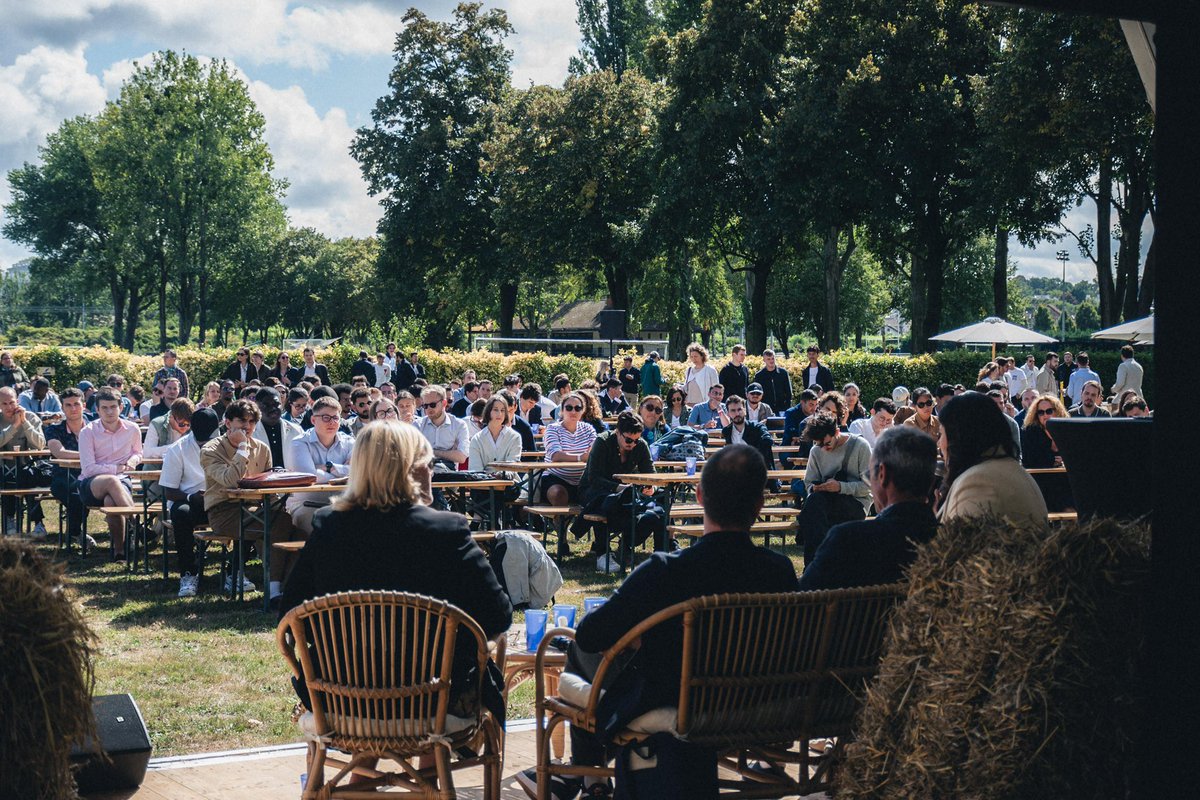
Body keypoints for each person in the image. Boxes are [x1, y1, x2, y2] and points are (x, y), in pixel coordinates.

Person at [517, 444, 798, 800]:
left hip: (680, 702)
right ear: (760, 505)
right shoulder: (780, 570)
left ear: (698, 496)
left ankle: (592, 781)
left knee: (577, 650)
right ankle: (589, 782)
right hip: (758, 703)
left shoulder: (667, 571)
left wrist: (638, 639)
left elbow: (591, 635)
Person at [279, 422, 512, 739]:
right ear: (409, 469)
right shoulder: (446, 531)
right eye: (428, 463)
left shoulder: (329, 526)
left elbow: (289, 616)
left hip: (341, 697)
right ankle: (428, 776)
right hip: (432, 699)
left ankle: (364, 776)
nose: (433, 472)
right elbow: (498, 615)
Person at [800, 426, 939, 590]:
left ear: (882, 475)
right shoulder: (950, 544)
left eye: (869, 476)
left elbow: (804, 597)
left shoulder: (848, 541)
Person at [201, 399, 299, 597]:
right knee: (275, 526)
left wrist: (279, 508)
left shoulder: (262, 448)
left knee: (296, 530)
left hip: (256, 508)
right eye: (242, 421)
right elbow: (230, 480)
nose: (247, 426)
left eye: (252, 422)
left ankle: (286, 587)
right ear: (228, 423)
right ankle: (274, 591)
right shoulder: (211, 450)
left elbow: (267, 484)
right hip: (224, 511)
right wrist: (243, 448)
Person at [938, 392, 1047, 525]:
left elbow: (959, 542)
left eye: (941, 434)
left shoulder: (977, 482)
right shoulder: (1007, 469)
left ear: (958, 436)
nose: (939, 443)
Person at [577, 411, 667, 570]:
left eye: (636, 440)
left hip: (625, 493)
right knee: (607, 501)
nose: (632, 444)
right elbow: (594, 478)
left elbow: (651, 473)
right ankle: (602, 553)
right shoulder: (602, 441)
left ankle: (661, 552)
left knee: (662, 499)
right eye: (628, 440)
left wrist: (650, 486)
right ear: (617, 432)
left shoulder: (640, 445)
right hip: (594, 490)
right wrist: (619, 488)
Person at [161, 408, 222, 598]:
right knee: (181, 514)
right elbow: (168, 490)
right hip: (190, 500)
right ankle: (188, 572)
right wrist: (191, 497)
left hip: (221, 499)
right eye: (201, 440)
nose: (205, 444)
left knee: (248, 512)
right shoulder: (177, 449)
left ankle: (234, 571)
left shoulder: (227, 446)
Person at [798, 412, 872, 565]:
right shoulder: (816, 451)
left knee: (813, 511)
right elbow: (808, 483)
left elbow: (869, 487)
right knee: (815, 503)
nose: (824, 449)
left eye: (827, 444)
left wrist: (840, 487)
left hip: (855, 502)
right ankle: (816, 563)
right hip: (824, 502)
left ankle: (814, 565)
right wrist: (815, 488)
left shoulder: (860, 446)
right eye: (819, 445)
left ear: (837, 432)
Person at [78, 387, 142, 560]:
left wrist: (131, 462)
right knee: (112, 481)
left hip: (123, 482)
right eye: (104, 408)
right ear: (96, 410)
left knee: (111, 500)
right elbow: (89, 468)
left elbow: (138, 452)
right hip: (91, 485)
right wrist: (117, 468)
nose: (109, 411)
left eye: (113, 407)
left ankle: (119, 551)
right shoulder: (88, 432)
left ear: (121, 407)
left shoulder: (132, 428)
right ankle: (137, 525)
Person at [288, 396, 354, 536]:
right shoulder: (299, 443)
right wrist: (343, 472)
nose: (331, 422)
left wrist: (327, 467)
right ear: (313, 420)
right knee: (326, 530)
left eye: (335, 418)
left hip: (342, 504)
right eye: (325, 417)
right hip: (307, 504)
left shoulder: (350, 442)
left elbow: (358, 473)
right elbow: (308, 476)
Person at [44, 388, 93, 550]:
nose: (73, 408)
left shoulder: (95, 427)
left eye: (76, 404)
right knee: (77, 495)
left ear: (83, 405)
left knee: (87, 491)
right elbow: (59, 453)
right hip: (62, 476)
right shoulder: (54, 429)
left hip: (91, 475)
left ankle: (74, 532)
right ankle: (76, 532)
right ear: (62, 408)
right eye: (68, 405)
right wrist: (88, 455)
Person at [0, 386, 49, 537]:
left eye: (12, 402)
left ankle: (38, 523)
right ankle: (9, 519)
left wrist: (24, 423)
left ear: (18, 401)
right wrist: (14, 426)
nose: (9, 407)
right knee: (6, 480)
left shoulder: (31, 417)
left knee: (27, 478)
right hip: (2, 468)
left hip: (25, 466)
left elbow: (40, 444)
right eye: (4, 404)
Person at [541, 392, 597, 506]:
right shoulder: (552, 429)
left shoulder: (588, 429)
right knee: (558, 493)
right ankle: (558, 522)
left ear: (583, 411)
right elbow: (556, 456)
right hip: (556, 479)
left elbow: (595, 453)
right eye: (569, 408)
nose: (573, 411)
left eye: (578, 408)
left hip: (584, 481)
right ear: (561, 410)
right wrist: (581, 457)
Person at [416, 386, 469, 471]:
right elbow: (412, 454)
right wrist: (450, 453)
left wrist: (431, 451)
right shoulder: (417, 425)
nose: (429, 409)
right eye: (425, 406)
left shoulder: (459, 425)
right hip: (423, 474)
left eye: (432, 405)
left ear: (444, 403)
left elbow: (462, 457)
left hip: (449, 477)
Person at [253, 387, 303, 472]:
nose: (273, 408)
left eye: (276, 404)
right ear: (257, 406)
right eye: (267, 405)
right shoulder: (250, 432)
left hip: (291, 481)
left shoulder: (296, 430)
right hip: (260, 482)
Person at [722, 395, 775, 470]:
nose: (737, 414)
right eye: (733, 410)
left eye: (739, 409)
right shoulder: (727, 431)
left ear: (745, 410)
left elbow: (768, 441)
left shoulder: (757, 427)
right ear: (728, 413)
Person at [1021, 394, 1068, 471]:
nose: (1045, 415)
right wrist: (1052, 461)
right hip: (1040, 477)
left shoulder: (1067, 430)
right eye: (1041, 412)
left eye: (1049, 411)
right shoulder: (1030, 432)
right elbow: (1028, 461)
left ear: (1057, 411)